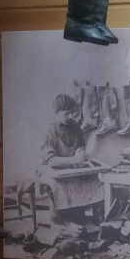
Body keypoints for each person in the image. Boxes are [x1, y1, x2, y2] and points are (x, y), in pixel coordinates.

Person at [37, 93, 105, 223]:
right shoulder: (49, 131)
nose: (71, 116)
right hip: (49, 168)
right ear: (56, 113)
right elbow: (51, 162)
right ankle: (61, 219)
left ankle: (89, 213)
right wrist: (74, 159)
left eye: (72, 113)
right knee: (58, 184)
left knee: (95, 179)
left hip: (69, 166)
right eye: (67, 114)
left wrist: (81, 153)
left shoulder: (74, 126)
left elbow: (81, 146)